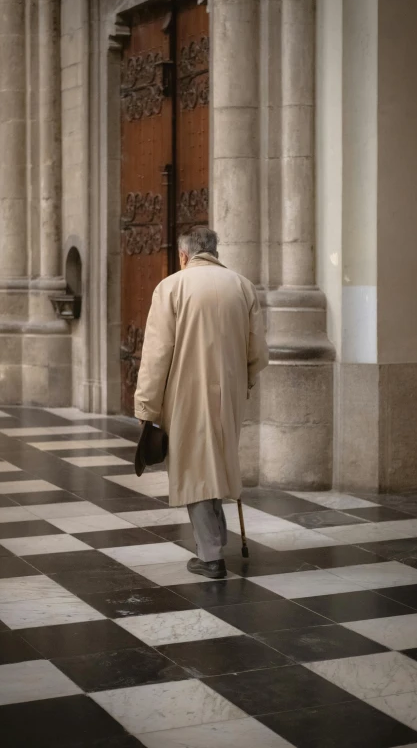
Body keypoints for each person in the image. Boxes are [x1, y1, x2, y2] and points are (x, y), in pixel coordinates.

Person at [134, 227, 269, 578]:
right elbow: (258, 352)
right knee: (216, 461)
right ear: (214, 251)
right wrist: (245, 380)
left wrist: (146, 406)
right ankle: (218, 537)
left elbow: (156, 355)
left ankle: (210, 557)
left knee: (195, 467)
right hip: (231, 392)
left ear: (183, 255)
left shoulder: (172, 287)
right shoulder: (242, 286)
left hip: (186, 393)